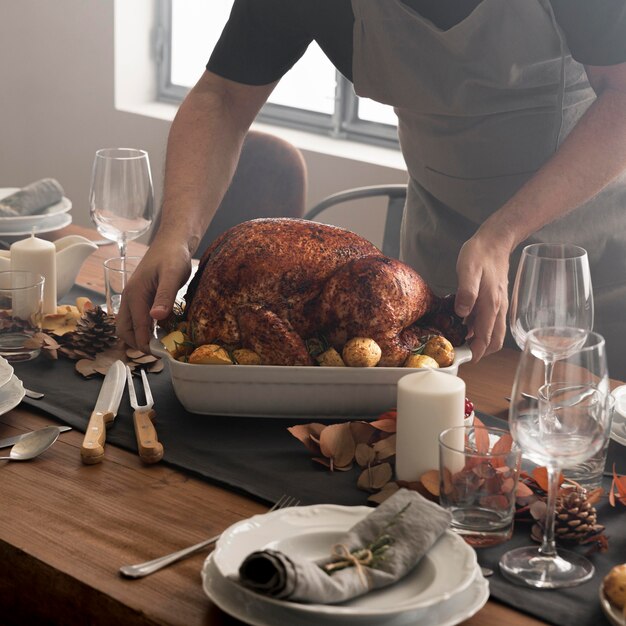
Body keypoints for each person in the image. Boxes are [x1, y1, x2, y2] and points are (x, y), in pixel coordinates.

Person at [118, 0, 626, 376]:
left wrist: (502, 232)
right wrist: (174, 237)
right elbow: (223, 97)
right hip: (440, 269)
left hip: (592, 269)